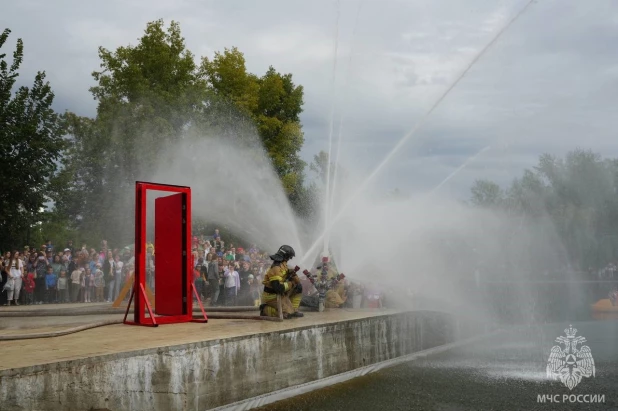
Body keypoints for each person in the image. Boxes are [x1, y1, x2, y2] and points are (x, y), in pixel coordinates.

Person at [260, 245, 303, 318]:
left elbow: (295, 281)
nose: (289, 259)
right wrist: (291, 283)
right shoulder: (276, 268)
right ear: (286, 257)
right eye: (289, 257)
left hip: (280, 293)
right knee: (287, 315)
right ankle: (265, 309)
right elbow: (278, 288)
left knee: (298, 287)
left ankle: (294, 310)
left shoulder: (283, 265)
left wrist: (293, 275)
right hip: (272, 295)